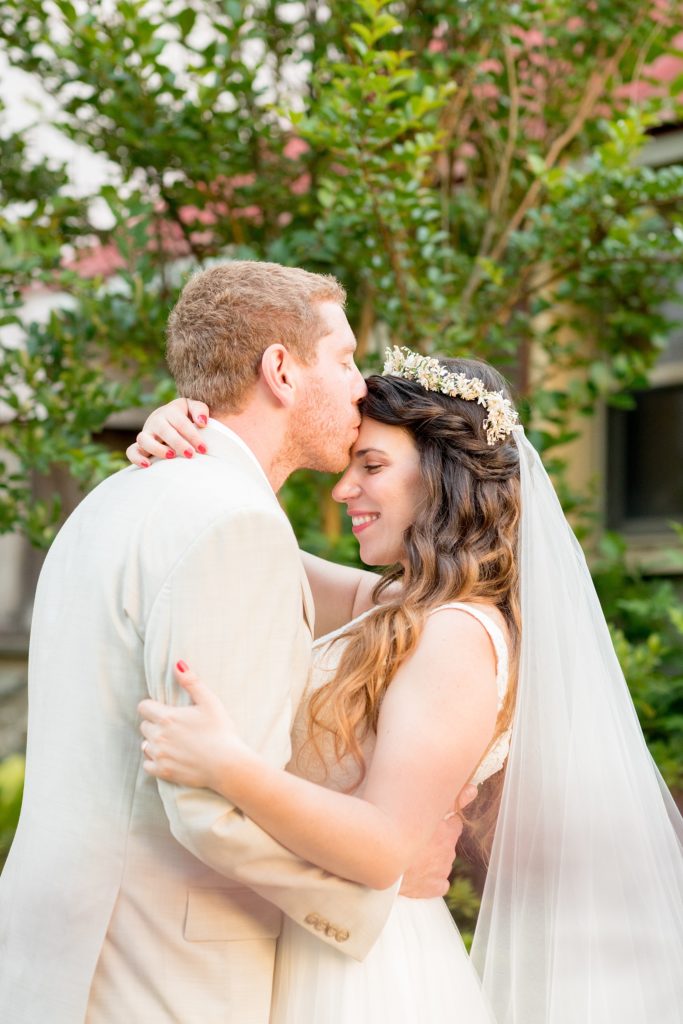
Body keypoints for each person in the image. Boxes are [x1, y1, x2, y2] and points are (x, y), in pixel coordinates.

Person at [131, 346, 683, 1023]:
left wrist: (225, 766)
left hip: (370, 977)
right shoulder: (403, 612)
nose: (342, 489)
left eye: (371, 466)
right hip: (318, 947)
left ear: (442, 478)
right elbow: (249, 549)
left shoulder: (456, 636)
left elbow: (382, 846)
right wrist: (197, 446)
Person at [0, 263, 465, 1024]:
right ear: (280, 369)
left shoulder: (118, 496)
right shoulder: (230, 524)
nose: (360, 385)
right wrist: (378, 889)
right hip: (158, 969)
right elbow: (209, 810)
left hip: (60, 951)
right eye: (344, 358)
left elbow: (395, 603)